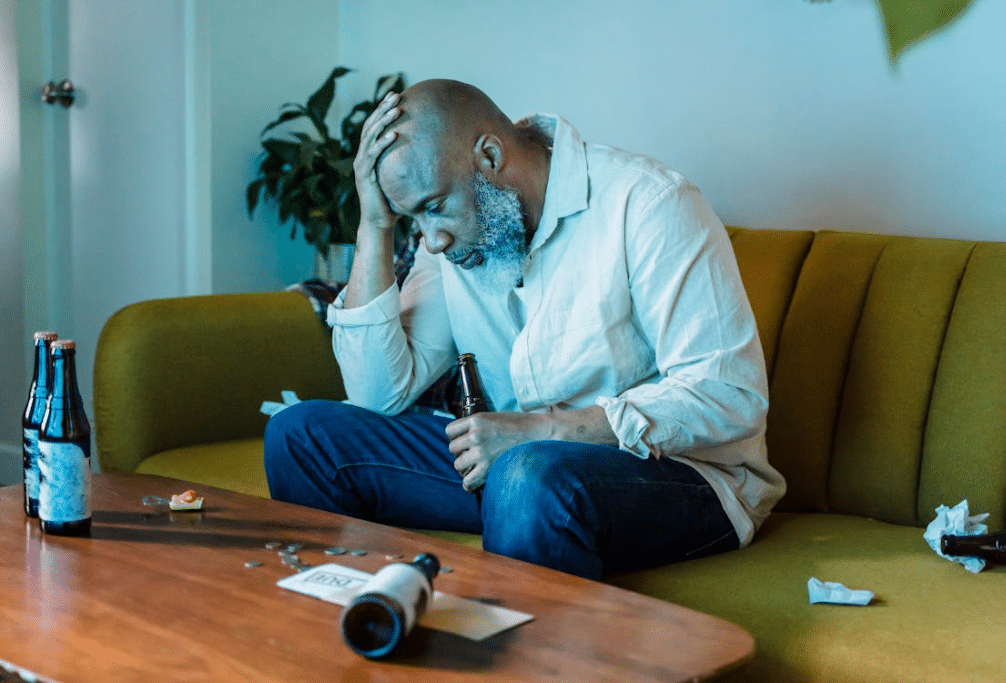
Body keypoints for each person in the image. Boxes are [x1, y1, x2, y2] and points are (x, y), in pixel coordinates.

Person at [264, 79, 785, 580]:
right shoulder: (454, 240)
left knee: (526, 476)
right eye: (412, 220)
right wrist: (374, 225)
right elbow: (377, 396)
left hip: (682, 478)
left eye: (433, 209)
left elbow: (728, 394)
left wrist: (544, 430)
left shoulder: (648, 204)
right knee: (301, 436)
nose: (433, 241)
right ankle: (366, 627)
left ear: (490, 157)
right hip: (519, 470)